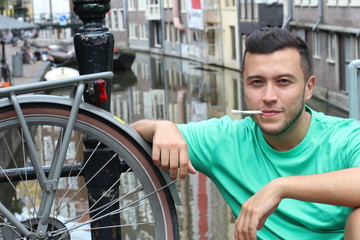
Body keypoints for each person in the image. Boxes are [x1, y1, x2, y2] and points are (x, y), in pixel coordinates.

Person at [131, 27, 360, 240]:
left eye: (283, 82)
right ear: (244, 86)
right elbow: (123, 135)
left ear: (308, 88)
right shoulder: (226, 139)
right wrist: (161, 126)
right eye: (257, 82)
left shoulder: (345, 137)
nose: (269, 96)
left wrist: (280, 187)